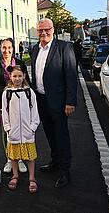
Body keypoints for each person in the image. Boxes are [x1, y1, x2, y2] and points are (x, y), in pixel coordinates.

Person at [31, 19, 77, 188]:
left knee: (61, 135)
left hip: (59, 102)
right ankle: (55, 161)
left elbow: (71, 75)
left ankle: (65, 171)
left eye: (46, 30)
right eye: (40, 30)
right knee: (50, 133)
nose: (43, 33)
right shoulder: (35, 48)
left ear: (53, 29)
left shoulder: (64, 47)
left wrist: (70, 101)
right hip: (41, 100)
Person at [1, 65, 40, 193]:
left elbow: (34, 111)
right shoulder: (6, 93)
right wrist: (8, 128)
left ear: (24, 76)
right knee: (14, 156)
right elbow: (4, 112)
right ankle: (15, 175)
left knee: (30, 156)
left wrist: (33, 127)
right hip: (13, 131)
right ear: (10, 77)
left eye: (19, 76)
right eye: (14, 76)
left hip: (28, 131)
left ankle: (32, 177)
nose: (17, 78)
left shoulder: (29, 92)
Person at [0, 38, 30, 174]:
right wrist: (5, 92)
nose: (6, 51)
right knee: (6, 130)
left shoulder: (20, 63)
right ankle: (9, 159)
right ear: (0, 48)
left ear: (13, 49)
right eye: (4, 48)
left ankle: (20, 159)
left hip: (20, 101)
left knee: (19, 129)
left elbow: (27, 82)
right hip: (3, 101)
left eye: (9, 48)